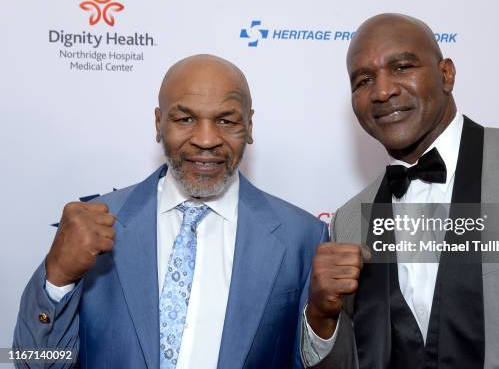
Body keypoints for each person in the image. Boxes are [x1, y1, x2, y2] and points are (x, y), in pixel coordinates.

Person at [301, 14, 499, 368]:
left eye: (402, 67)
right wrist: (321, 318)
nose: (383, 90)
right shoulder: (349, 221)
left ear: (446, 74)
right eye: (364, 80)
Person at [14, 54, 326, 368]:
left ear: (248, 125)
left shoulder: (302, 237)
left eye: (226, 120)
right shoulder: (94, 225)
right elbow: (31, 362)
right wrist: (58, 279)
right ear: (158, 123)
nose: (206, 140)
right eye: (185, 119)